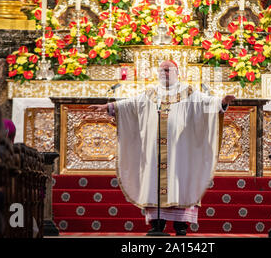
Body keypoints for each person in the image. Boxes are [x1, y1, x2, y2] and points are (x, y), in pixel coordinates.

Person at [90, 60, 235, 236]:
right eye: (161, 70)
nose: (163, 73)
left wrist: (222, 102)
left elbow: (207, 104)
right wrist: (110, 107)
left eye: (167, 70)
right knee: (153, 182)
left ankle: (180, 226)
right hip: (155, 151)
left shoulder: (188, 93)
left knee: (181, 183)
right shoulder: (151, 93)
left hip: (180, 150)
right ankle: (156, 225)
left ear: (177, 72)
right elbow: (131, 104)